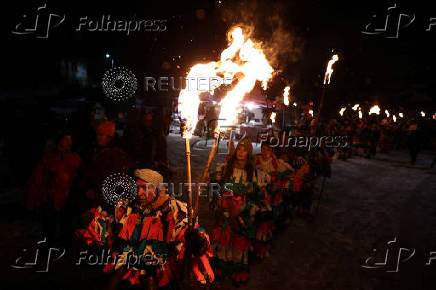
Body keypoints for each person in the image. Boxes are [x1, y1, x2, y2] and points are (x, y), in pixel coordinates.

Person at [76, 168, 214, 289]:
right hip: (126, 267)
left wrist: (196, 240)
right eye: (137, 188)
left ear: (157, 189)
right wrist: (92, 221)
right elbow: (107, 222)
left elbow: (185, 231)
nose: (139, 193)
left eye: (145, 188)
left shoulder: (175, 209)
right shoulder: (126, 207)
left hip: (158, 271)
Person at [210, 138, 256, 285]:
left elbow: (254, 192)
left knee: (238, 241)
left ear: (248, 153)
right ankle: (221, 268)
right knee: (223, 238)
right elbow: (216, 186)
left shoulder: (251, 171)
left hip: (241, 211)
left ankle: (237, 272)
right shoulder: (225, 167)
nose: (241, 153)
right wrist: (212, 181)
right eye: (239, 149)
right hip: (225, 208)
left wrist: (245, 205)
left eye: (244, 150)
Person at [26, 131, 82, 246]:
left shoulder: (75, 158)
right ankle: (48, 243)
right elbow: (39, 176)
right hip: (51, 196)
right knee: (49, 222)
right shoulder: (49, 158)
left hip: (68, 195)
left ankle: (66, 244)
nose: (69, 143)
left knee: (67, 222)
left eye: (70, 140)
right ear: (59, 141)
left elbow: (79, 176)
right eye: (66, 140)